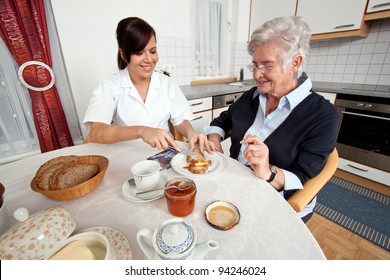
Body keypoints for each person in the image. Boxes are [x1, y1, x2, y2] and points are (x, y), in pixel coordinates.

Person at [206, 16, 339, 222]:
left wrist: (267, 171)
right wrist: (214, 138)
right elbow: (223, 121)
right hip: (235, 184)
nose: (258, 74)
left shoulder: (324, 116)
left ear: (295, 62)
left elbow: (301, 178)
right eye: (255, 65)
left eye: (267, 66)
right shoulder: (252, 95)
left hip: (277, 201)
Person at [83, 17, 215, 153]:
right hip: (129, 157)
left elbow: (181, 121)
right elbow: (97, 132)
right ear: (123, 54)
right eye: (139, 53)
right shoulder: (110, 86)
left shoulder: (166, 83)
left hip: (164, 153)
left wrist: (191, 134)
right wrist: (142, 131)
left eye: (153, 51)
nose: (149, 59)